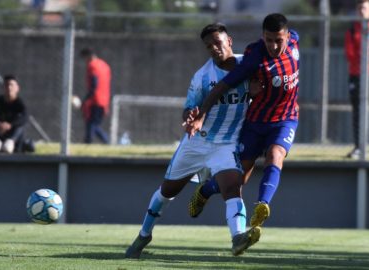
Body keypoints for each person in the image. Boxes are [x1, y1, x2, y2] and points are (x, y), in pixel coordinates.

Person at [125, 23, 260, 259]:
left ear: (229, 41)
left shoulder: (248, 67)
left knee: (233, 187)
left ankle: (238, 237)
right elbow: (189, 108)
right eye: (209, 47)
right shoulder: (202, 77)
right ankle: (144, 234)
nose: (214, 49)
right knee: (168, 192)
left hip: (227, 144)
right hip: (198, 142)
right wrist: (188, 115)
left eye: (218, 43)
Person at [186, 13, 299, 231]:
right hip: (255, 123)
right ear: (262, 37)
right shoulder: (254, 57)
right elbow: (222, 87)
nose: (274, 46)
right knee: (238, 179)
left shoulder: (295, 39)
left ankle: (262, 205)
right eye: (268, 40)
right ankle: (205, 191)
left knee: (276, 155)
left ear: (287, 36)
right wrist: (200, 116)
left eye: (279, 40)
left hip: (285, 119)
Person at [345, 0, 369, 159]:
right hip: (356, 75)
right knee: (358, 111)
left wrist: (367, 55)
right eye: (359, 8)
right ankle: (358, 146)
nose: (362, 11)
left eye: (365, 8)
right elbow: (350, 54)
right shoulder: (351, 30)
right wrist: (366, 54)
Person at [79, 47, 111, 144]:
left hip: (95, 99)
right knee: (94, 124)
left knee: (91, 123)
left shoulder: (92, 65)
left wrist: (86, 99)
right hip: (105, 99)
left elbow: (94, 83)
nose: (85, 62)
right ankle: (102, 141)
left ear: (88, 56)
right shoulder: (105, 65)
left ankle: (92, 141)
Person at [0, 75, 28, 153]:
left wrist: (10, 125)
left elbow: (24, 117)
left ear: (17, 88)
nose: (9, 88)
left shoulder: (19, 104)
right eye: (6, 85)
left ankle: (10, 143)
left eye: (11, 85)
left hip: (12, 134)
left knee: (20, 126)